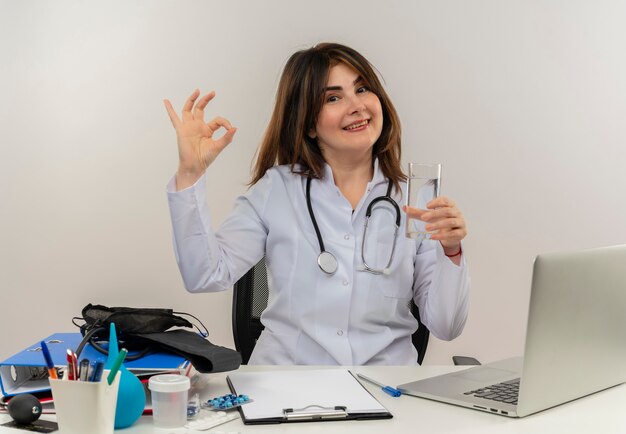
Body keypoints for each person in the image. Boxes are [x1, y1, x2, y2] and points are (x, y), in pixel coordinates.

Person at [164, 42, 469, 365]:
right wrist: (190, 172)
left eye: (362, 89)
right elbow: (205, 275)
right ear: (308, 123)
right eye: (333, 97)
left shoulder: (415, 200)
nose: (357, 106)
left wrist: (451, 250)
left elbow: (446, 326)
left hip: (385, 389)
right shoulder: (276, 190)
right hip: (286, 387)